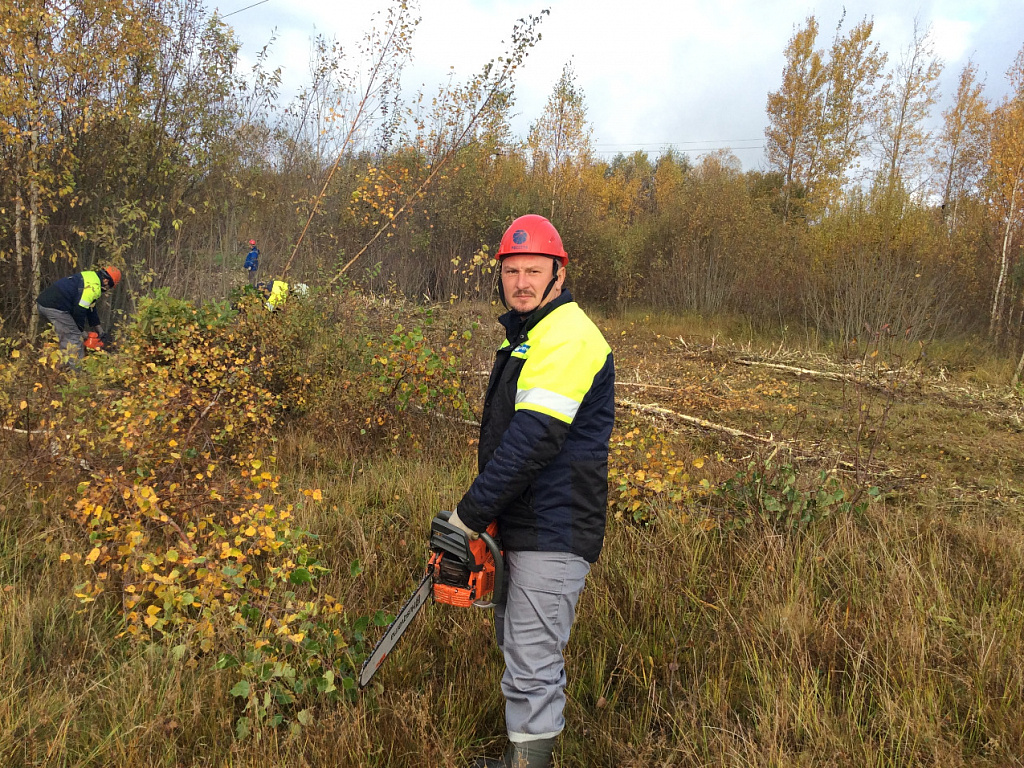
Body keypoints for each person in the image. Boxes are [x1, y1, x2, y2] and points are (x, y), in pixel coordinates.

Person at [449, 215, 615, 768]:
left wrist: (467, 516)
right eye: (512, 270)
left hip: (555, 526)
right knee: (520, 649)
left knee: (532, 657)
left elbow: (531, 442)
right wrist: (487, 517)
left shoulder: (568, 336)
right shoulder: (529, 333)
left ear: (558, 274)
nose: (520, 281)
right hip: (523, 520)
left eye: (533, 270)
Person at [36, 266, 121, 365]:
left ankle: (59, 366)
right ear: (106, 281)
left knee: (67, 335)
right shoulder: (93, 287)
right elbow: (79, 310)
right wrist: (81, 331)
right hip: (54, 307)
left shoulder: (92, 277)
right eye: (110, 286)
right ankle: (74, 373)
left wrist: (99, 329)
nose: (108, 289)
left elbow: (90, 308)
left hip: (49, 303)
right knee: (74, 337)